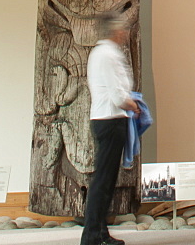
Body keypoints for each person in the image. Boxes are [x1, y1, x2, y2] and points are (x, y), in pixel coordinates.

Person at [80, 14, 140, 245]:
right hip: (111, 119)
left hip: (105, 118)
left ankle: (100, 232)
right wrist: (133, 105)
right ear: (114, 31)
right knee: (103, 180)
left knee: (106, 179)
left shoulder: (100, 53)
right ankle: (91, 236)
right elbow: (117, 95)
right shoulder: (108, 54)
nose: (125, 33)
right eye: (122, 29)